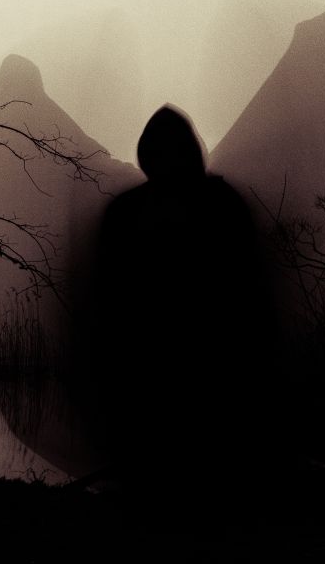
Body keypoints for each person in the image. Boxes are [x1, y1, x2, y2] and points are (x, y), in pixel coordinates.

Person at [91, 105, 274, 529]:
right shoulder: (222, 204)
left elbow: (246, 291)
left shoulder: (130, 211)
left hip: (189, 366)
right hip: (175, 367)